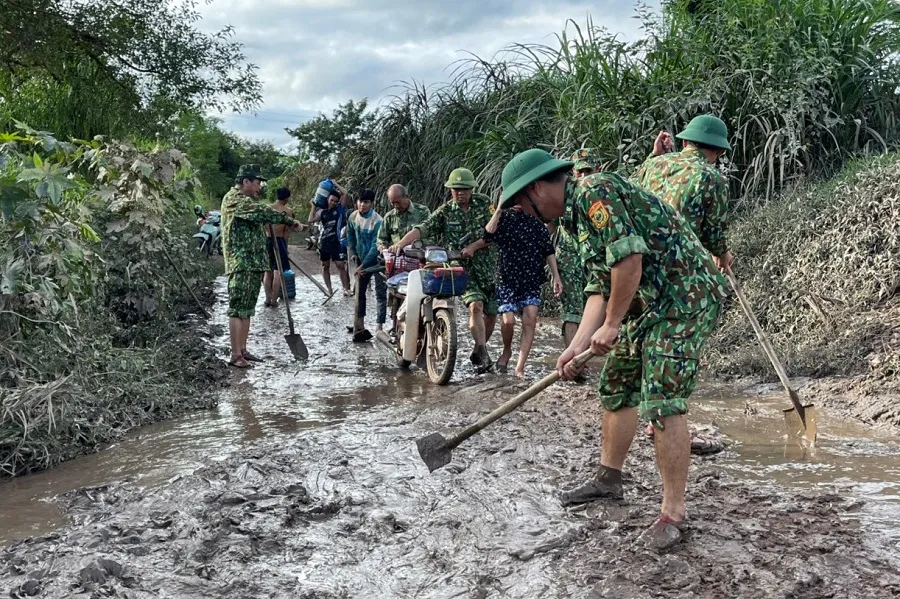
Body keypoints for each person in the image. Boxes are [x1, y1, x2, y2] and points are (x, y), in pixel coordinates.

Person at [497, 149, 728, 551]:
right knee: (618, 383)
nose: (523, 212)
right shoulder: (571, 220)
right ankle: (609, 479)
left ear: (537, 188)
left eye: (521, 203)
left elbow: (629, 260)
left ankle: (673, 513)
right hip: (649, 302)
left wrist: (613, 324)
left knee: (662, 399)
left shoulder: (594, 191)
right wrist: (576, 346)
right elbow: (600, 289)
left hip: (684, 298)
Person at [390, 168, 498, 373]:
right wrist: (401, 244)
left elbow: (495, 229)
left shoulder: (485, 204)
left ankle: (478, 348)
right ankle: (483, 353)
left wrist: (474, 247)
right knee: (476, 305)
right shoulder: (446, 211)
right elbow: (424, 228)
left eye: (464, 189)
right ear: (451, 191)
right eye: (456, 189)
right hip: (461, 270)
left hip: (489, 267)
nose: (460, 193)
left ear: (472, 189)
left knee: (491, 314)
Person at [465, 200, 562, 378]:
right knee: (508, 321)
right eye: (514, 200)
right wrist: (500, 209)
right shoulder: (504, 219)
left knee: (530, 319)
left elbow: (548, 251)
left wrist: (556, 276)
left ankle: (520, 366)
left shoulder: (536, 222)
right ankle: (507, 350)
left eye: (521, 200)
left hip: (531, 278)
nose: (518, 204)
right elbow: (487, 235)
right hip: (506, 278)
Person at [220, 165, 305, 369]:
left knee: (247, 310)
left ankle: (242, 350)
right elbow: (261, 211)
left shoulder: (247, 202)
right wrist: (289, 220)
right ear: (246, 182)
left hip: (254, 263)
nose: (260, 187)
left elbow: (260, 215)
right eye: (257, 183)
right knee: (237, 309)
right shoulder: (234, 199)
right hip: (241, 263)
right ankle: (234, 354)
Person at [631, 114, 734, 272]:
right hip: (677, 267)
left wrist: (654, 155)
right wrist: (722, 254)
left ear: (685, 142)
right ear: (720, 151)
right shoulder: (714, 178)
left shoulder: (653, 163)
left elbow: (628, 186)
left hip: (638, 260)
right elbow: (713, 231)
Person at [553, 148, 597, 354]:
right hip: (569, 259)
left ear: (598, 169)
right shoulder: (562, 197)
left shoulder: (604, 194)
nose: (584, 177)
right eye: (580, 173)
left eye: (588, 171)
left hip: (595, 261)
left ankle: (584, 357)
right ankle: (573, 359)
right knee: (572, 312)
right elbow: (548, 227)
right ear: (573, 174)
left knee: (596, 306)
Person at [347, 189, 386, 333]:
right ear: (357, 202)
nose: (362, 205)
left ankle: (379, 325)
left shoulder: (377, 221)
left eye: (366, 202)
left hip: (377, 261)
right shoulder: (353, 217)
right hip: (361, 258)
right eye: (360, 201)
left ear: (371, 203)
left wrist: (363, 266)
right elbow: (350, 237)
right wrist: (353, 253)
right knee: (359, 291)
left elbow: (375, 247)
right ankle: (359, 324)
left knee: (380, 292)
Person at [309, 182, 351, 296]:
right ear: (327, 199)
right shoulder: (322, 212)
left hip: (336, 243)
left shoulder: (339, 210)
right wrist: (313, 206)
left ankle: (345, 288)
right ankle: (329, 289)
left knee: (341, 266)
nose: (333, 202)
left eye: (335, 201)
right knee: (325, 266)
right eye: (331, 200)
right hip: (324, 244)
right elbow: (310, 220)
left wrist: (335, 183)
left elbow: (345, 193)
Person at [263, 187, 294, 307]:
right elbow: (286, 231)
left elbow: (264, 226)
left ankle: (267, 298)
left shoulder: (268, 208)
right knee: (278, 272)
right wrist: (285, 248)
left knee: (268, 271)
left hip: (268, 239)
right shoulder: (288, 211)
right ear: (287, 198)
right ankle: (274, 300)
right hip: (279, 240)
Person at [377, 184, 431, 250]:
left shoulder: (422, 212)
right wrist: (382, 247)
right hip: (396, 256)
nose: (396, 206)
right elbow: (381, 239)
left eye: (398, 202)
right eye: (392, 203)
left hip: (418, 254)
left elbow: (431, 235)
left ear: (407, 196)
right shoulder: (389, 217)